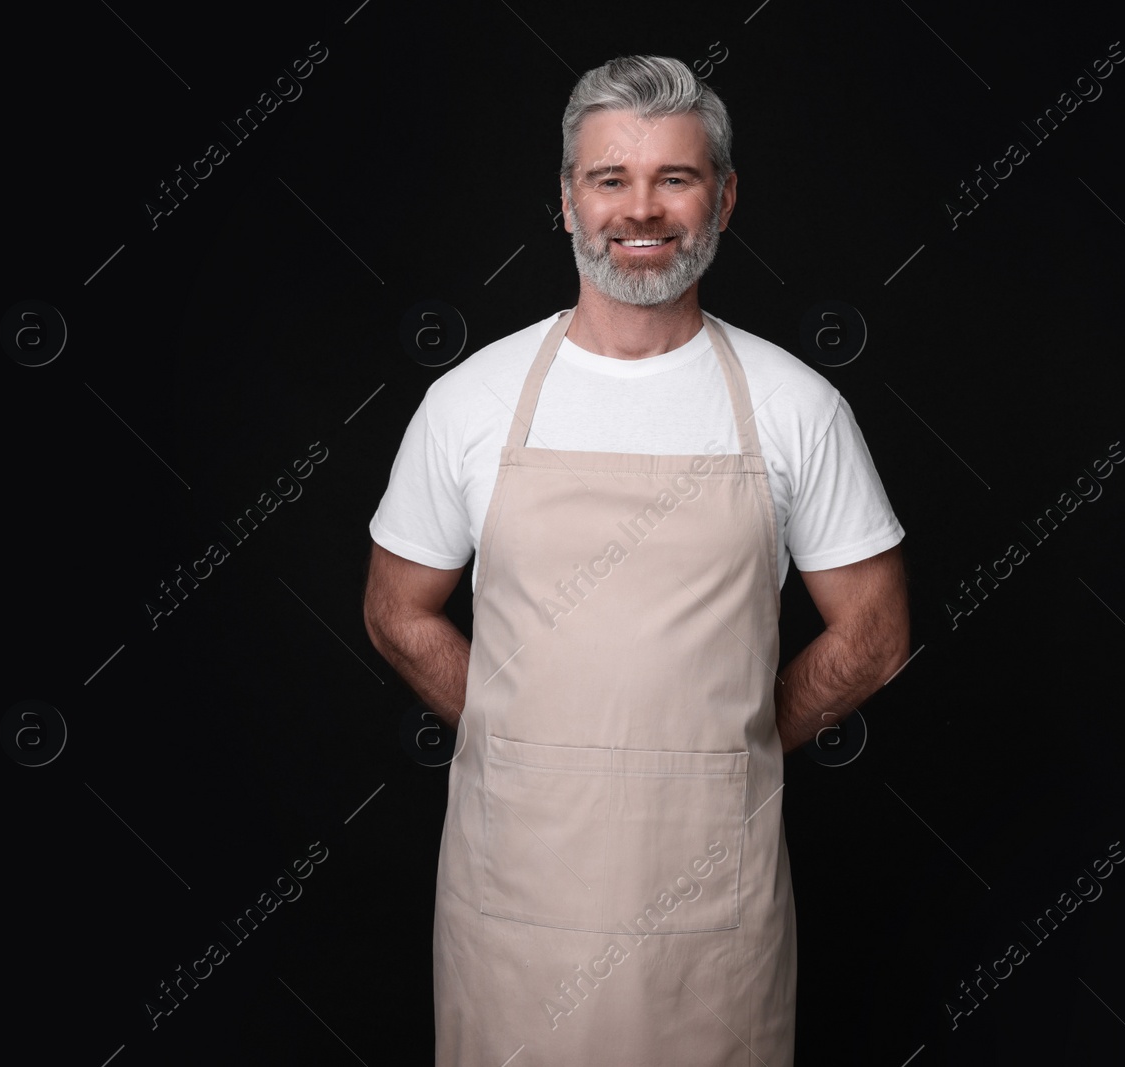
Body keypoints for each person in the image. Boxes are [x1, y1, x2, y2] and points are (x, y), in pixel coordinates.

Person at [363, 54, 909, 1066]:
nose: (639, 208)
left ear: (725, 198)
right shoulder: (471, 402)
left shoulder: (797, 407)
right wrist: (518, 730)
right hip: (515, 898)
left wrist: (729, 743)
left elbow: (874, 634)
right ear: (565, 203)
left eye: (676, 177)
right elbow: (396, 608)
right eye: (608, 178)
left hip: (709, 899)